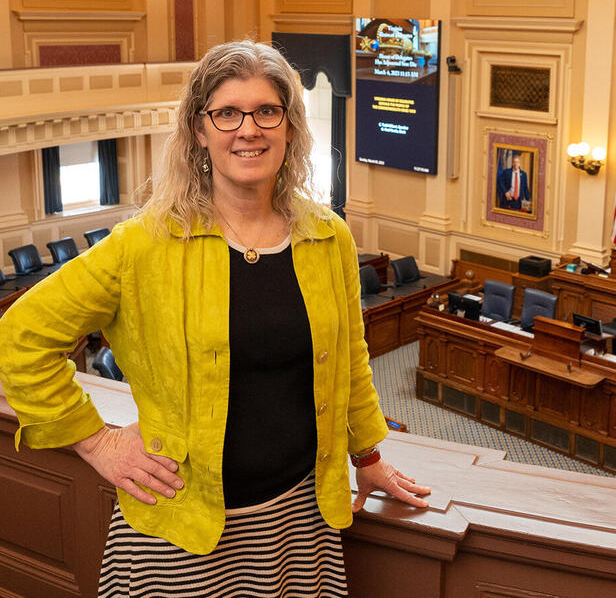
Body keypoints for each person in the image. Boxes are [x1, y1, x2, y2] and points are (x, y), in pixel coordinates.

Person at [0, 40, 430, 597]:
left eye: (266, 111)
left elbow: (348, 361)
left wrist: (368, 455)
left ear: (290, 127)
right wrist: (96, 442)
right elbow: (20, 336)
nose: (248, 128)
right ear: (199, 131)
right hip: (181, 529)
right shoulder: (145, 244)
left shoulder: (327, 236)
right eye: (226, 113)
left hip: (299, 521)